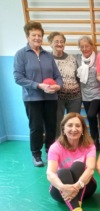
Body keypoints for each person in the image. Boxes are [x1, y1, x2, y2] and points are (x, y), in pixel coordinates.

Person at [13, 21, 62, 167]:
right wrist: (38, 85)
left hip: (51, 97)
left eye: (39, 35)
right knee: (36, 127)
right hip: (32, 98)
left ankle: (50, 152)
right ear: (28, 36)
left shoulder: (48, 55)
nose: (37, 38)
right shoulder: (21, 54)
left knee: (51, 126)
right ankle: (36, 155)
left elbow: (57, 76)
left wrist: (58, 86)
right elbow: (18, 77)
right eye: (33, 35)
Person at [46, 112, 97, 211]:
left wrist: (76, 186)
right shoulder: (55, 147)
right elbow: (50, 173)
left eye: (78, 126)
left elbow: (90, 169)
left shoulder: (89, 145)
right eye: (70, 125)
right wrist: (62, 187)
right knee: (63, 172)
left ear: (83, 129)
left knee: (79, 166)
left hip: (85, 188)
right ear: (63, 129)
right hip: (61, 193)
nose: (74, 129)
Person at [47, 32, 82, 138]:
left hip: (75, 96)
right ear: (50, 43)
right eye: (56, 41)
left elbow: (77, 77)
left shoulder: (71, 58)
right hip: (57, 97)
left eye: (61, 41)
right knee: (58, 122)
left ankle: (74, 144)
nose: (59, 44)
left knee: (74, 122)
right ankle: (59, 145)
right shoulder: (47, 59)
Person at [75, 36, 100, 150]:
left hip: (98, 93)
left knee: (91, 115)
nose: (85, 48)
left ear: (92, 46)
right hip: (85, 95)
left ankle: (94, 140)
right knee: (91, 120)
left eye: (87, 46)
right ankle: (95, 144)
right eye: (82, 47)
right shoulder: (77, 59)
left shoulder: (98, 58)